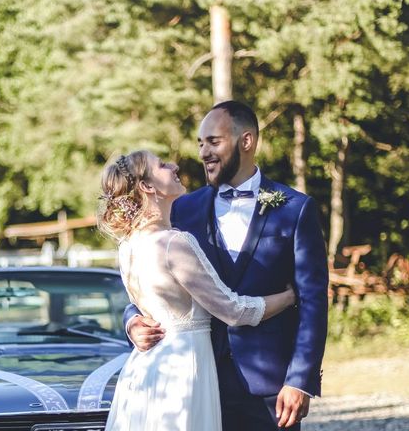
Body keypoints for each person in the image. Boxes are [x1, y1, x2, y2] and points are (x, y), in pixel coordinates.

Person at [125, 101, 329, 430]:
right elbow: (148, 278)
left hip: (271, 389)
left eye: (214, 142)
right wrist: (131, 319)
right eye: (201, 143)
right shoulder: (182, 209)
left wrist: (300, 379)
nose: (204, 152)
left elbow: (314, 300)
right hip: (195, 381)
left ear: (246, 141)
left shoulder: (296, 209)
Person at [99, 150, 297, 431]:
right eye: (162, 165)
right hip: (182, 370)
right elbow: (234, 310)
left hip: (145, 371)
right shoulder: (173, 243)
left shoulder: (127, 246)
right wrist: (289, 297)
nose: (175, 165)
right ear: (147, 186)